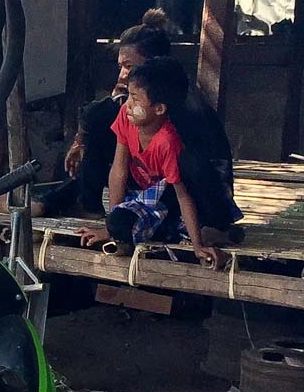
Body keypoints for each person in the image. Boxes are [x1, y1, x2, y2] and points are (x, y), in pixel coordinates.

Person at [78, 58, 237, 266]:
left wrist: (197, 246)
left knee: (183, 226)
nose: (128, 105)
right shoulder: (126, 119)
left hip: (170, 198)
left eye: (135, 99)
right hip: (145, 198)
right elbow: (119, 170)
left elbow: (182, 194)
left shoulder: (168, 142)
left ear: (159, 109)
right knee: (119, 223)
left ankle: (215, 233)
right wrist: (112, 224)